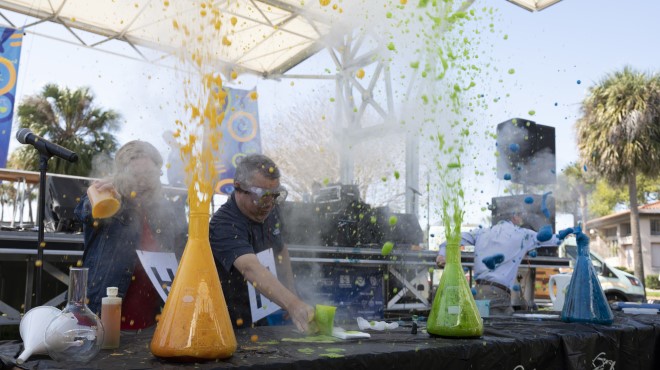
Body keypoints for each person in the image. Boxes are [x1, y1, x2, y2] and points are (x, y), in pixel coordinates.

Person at [74, 140, 187, 329]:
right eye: (135, 175)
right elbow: (84, 212)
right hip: (102, 322)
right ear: (120, 176)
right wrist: (105, 193)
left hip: (158, 322)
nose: (143, 182)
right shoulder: (108, 198)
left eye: (149, 174)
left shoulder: (167, 209)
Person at [209, 154, 315, 332]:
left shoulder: (271, 210)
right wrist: (293, 304)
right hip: (227, 320)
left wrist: (290, 292)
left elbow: (280, 250)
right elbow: (250, 268)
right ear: (238, 187)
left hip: (258, 314)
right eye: (262, 195)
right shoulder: (224, 224)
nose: (269, 203)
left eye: (275, 195)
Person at [436, 212, 563, 315]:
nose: (521, 219)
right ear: (514, 216)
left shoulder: (482, 232)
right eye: (520, 216)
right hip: (497, 294)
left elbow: (454, 238)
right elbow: (553, 240)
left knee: (488, 333)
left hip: (479, 291)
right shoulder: (522, 234)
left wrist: (442, 254)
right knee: (497, 337)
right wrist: (568, 233)